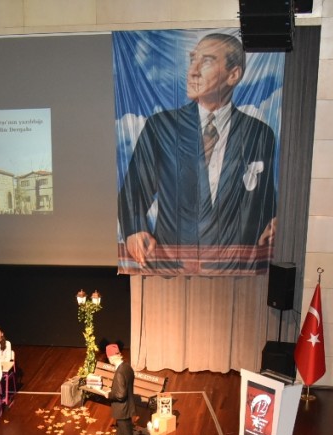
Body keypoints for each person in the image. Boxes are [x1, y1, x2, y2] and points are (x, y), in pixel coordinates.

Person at [117, 32, 277, 275]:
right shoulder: (161, 127)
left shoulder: (259, 134)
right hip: (171, 269)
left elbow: (264, 198)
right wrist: (134, 229)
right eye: (193, 60)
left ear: (233, 74)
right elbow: (133, 191)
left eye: (207, 61)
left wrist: (274, 222)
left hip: (236, 272)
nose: (193, 71)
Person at [99, 343, 141, 435]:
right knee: (120, 432)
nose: (109, 360)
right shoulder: (127, 367)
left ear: (112, 357)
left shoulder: (119, 373)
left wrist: (109, 394)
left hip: (122, 409)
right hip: (127, 407)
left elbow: (120, 395)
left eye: (109, 358)